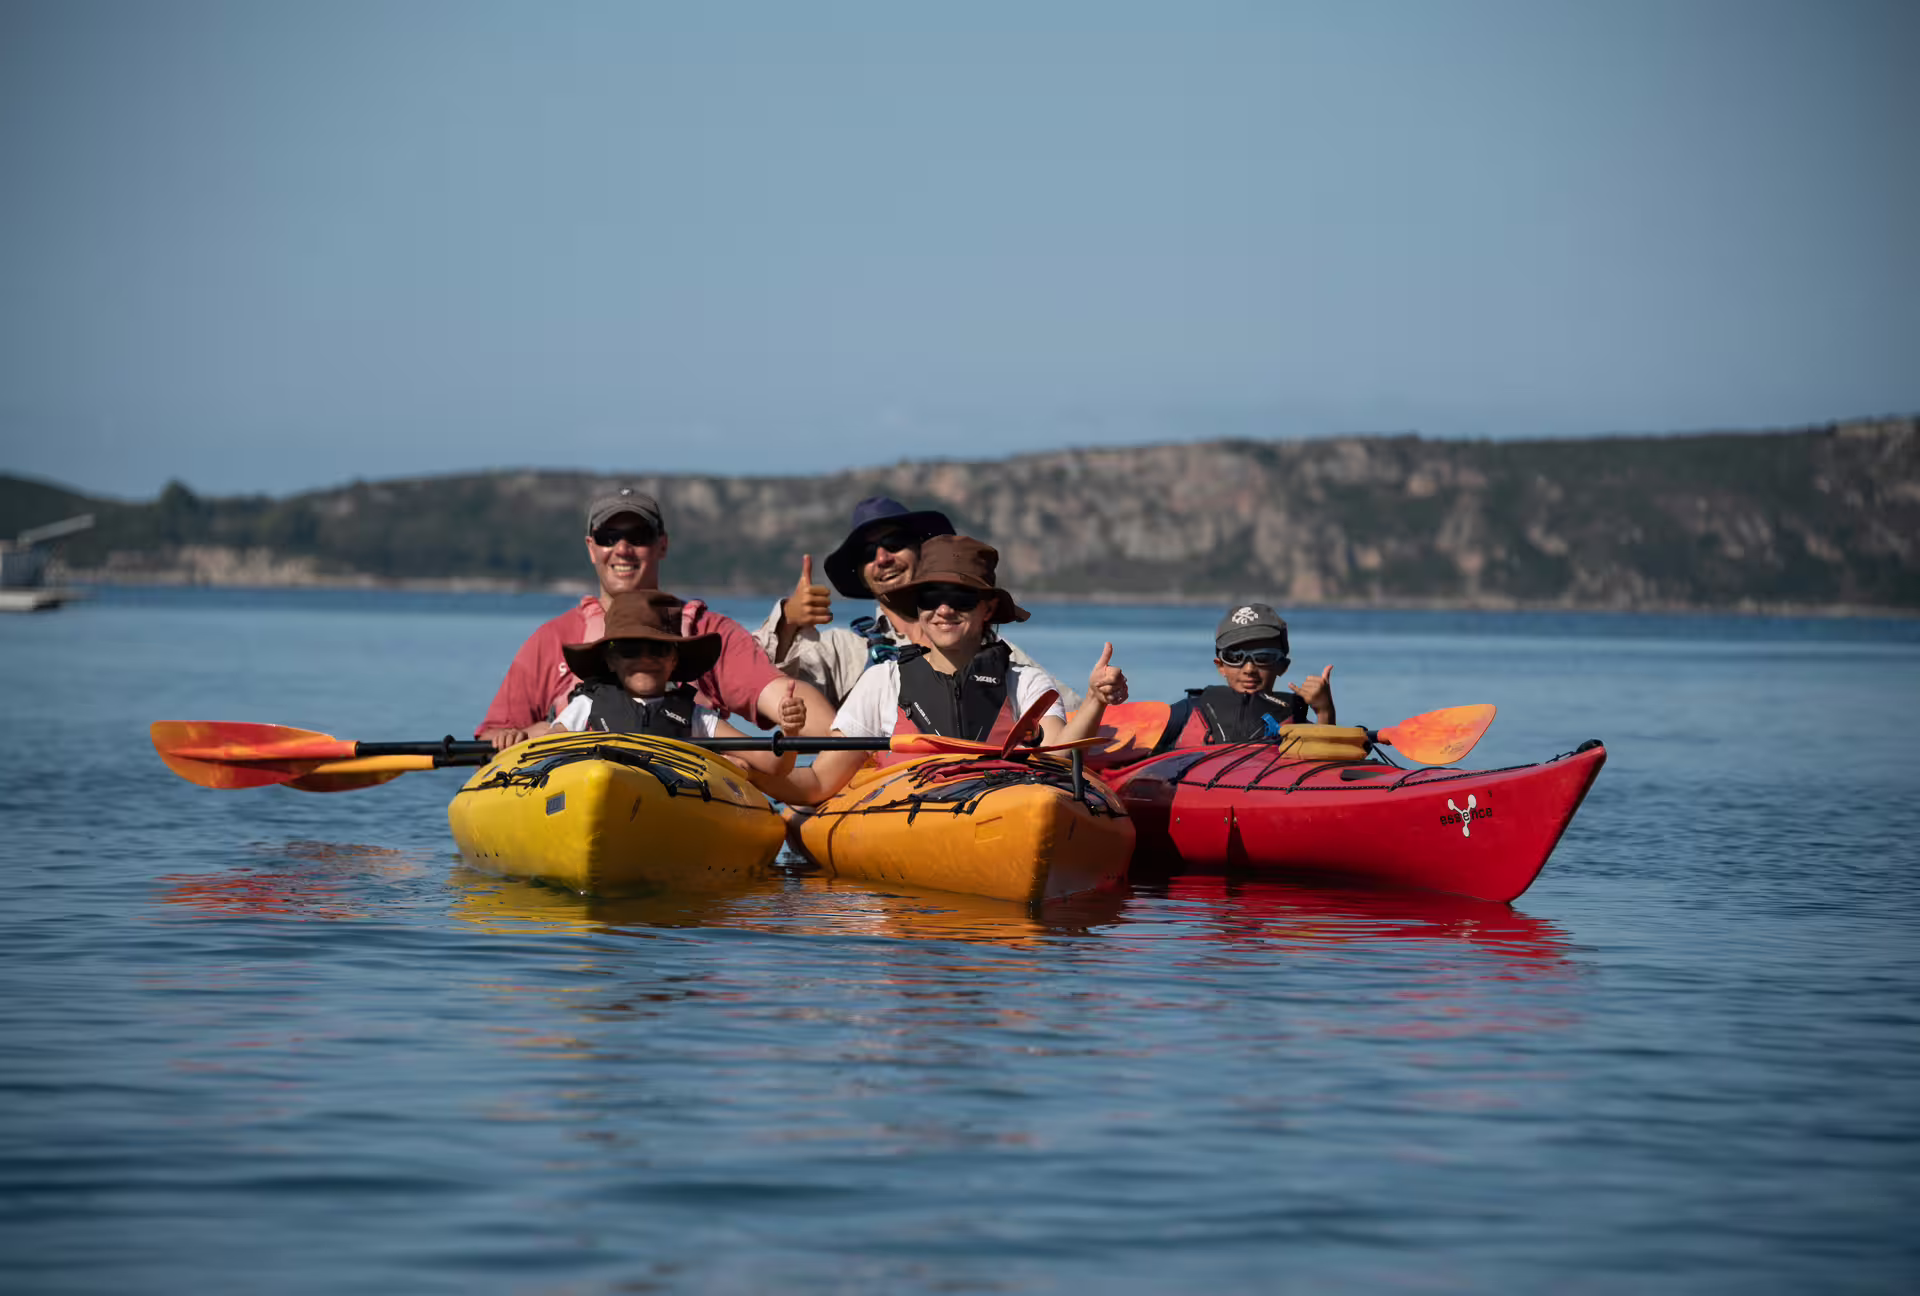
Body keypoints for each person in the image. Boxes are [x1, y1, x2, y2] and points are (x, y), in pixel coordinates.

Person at [754, 536, 1127, 806]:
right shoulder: (882, 682)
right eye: (931, 598)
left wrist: (1095, 700)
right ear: (918, 609)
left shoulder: (1025, 681)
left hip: (1005, 810)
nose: (944, 610)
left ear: (987, 609)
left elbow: (1058, 757)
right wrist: (751, 774)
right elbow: (819, 782)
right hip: (905, 819)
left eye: (961, 599)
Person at [477, 487, 834, 748]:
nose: (622, 549)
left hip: (682, 789)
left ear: (662, 544)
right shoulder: (552, 639)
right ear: (591, 548)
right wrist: (525, 736)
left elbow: (780, 694)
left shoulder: (705, 631)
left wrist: (836, 741)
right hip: (573, 786)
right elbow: (494, 734)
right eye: (608, 537)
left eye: (638, 536)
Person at [752, 495, 1079, 708]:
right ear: (862, 571)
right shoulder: (842, 650)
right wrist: (789, 620)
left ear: (923, 550)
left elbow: (1064, 708)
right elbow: (759, 681)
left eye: (894, 543)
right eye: (868, 553)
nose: (882, 558)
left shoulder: (986, 646)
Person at [546, 591, 808, 783]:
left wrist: (790, 731)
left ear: (674, 660)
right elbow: (546, 748)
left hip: (669, 806)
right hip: (594, 787)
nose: (645, 659)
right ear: (611, 661)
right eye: (630, 649)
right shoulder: (587, 705)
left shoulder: (696, 717)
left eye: (658, 649)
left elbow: (775, 766)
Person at [1154, 603, 1336, 752]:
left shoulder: (1299, 725)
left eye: (1263, 657)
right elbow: (1130, 741)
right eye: (1234, 657)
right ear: (1221, 666)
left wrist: (1325, 712)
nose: (1249, 669)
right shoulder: (1186, 713)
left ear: (1282, 666)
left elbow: (1326, 770)